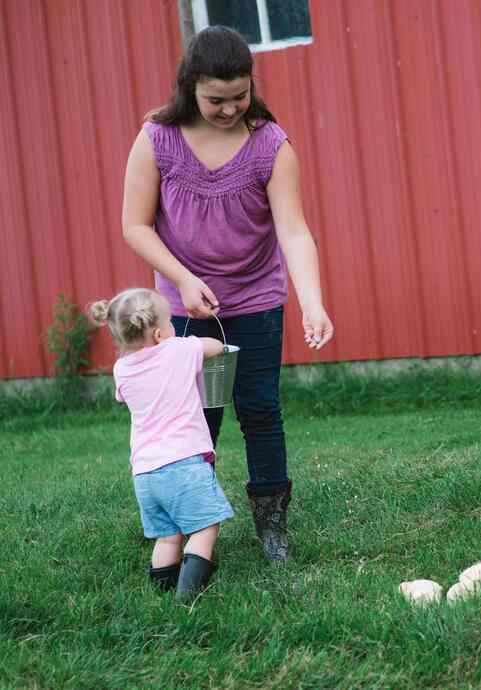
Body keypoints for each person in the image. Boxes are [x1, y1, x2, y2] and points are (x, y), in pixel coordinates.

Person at [121, 26, 334, 563]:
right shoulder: (156, 139)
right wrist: (184, 280)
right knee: (197, 415)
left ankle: (272, 526)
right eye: (216, 99)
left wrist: (312, 301)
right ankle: (194, 522)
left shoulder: (270, 144)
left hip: (256, 302)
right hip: (184, 309)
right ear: (190, 86)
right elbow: (135, 226)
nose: (229, 108)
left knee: (259, 409)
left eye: (240, 95)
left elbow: (294, 230)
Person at [90, 288, 234, 602]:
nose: (173, 328)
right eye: (170, 323)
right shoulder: (178, 350)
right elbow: (215, 346)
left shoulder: (122, 369)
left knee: (168, 537)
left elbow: (126, 395)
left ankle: (162, 593)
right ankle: (188, 597)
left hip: (145, 473)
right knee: (205, 528)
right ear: (157, 333)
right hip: (183, 462)